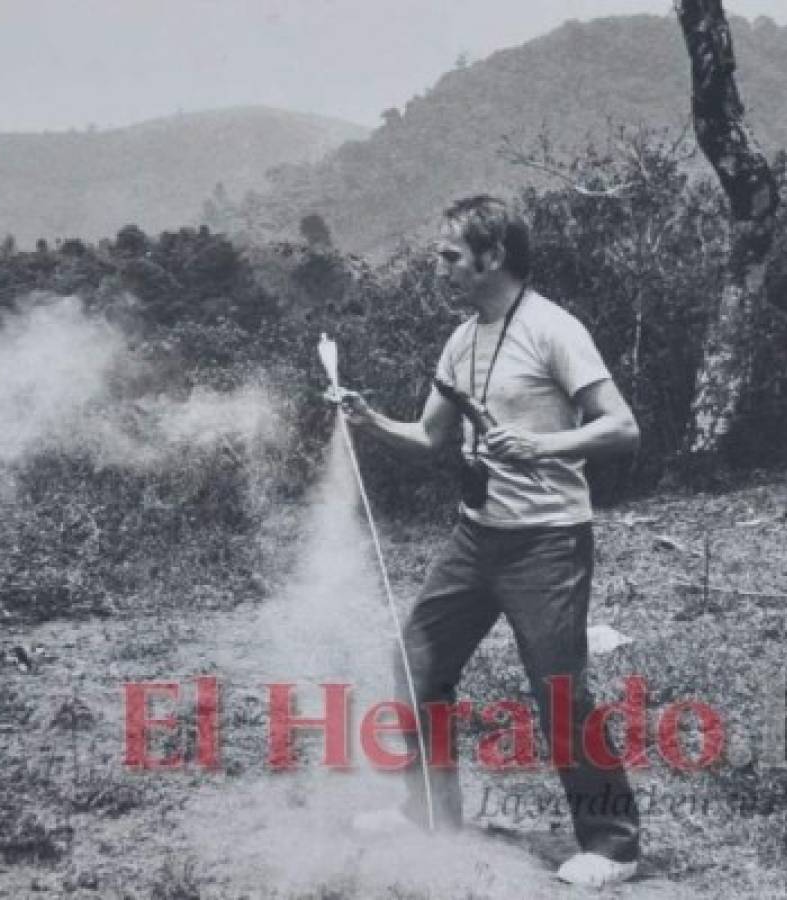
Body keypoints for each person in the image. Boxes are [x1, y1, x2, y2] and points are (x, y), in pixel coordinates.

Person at [339, 195, 641, 889]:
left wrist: (542, 445)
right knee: (416, 660)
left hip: (547, 542)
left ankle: (614, 846)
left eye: (449, 256)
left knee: (558, 690)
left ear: (492, 255)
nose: (437, 268)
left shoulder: (552, 328)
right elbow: (428, 438)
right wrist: (368, 420)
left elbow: (621, 428)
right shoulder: (462, 337)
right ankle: (427, 814)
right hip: (476, 538)